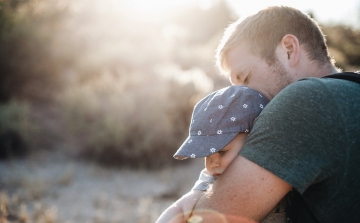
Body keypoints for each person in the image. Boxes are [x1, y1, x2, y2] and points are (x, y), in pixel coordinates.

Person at [189, 5, 360, 223]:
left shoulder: (304, 100)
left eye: (245, 77)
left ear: (289, 49)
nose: (242, 96)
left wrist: (194, 195)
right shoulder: (350, 92)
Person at [156, 85, 283, 223]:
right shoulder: (210, 180)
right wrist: (194, 198)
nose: (213, 163)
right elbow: (179, 209)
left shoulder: (276, 167)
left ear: (253, 139)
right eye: (207, 154)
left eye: (222, 151)